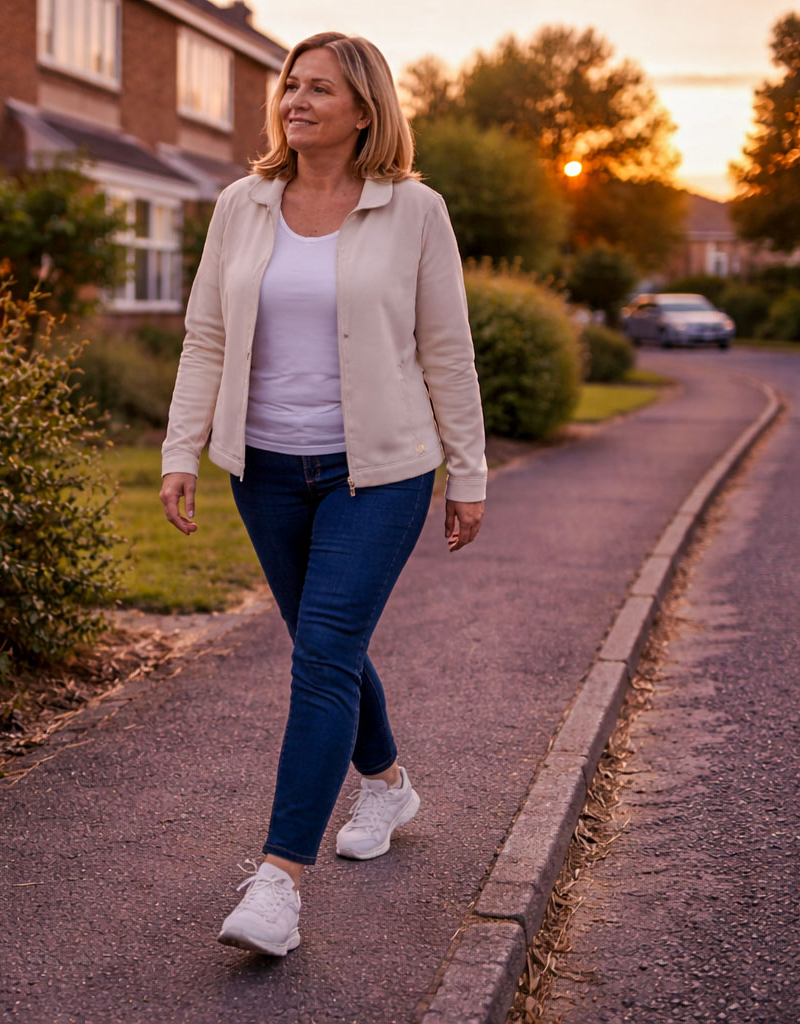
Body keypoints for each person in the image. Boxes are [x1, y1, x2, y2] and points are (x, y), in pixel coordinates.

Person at [159, 31, 487, 957]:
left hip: (377, 473)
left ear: (365, 111)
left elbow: (446, 351)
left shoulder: (414, 211)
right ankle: (385, 781)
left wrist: (469, 472)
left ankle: (279, 883)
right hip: (265, 470)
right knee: (324, 648)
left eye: (318, 91)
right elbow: (206, 338)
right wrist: (182, 450)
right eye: (289, 87)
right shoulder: (242, 203)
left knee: (323, 654)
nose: (295, 102)